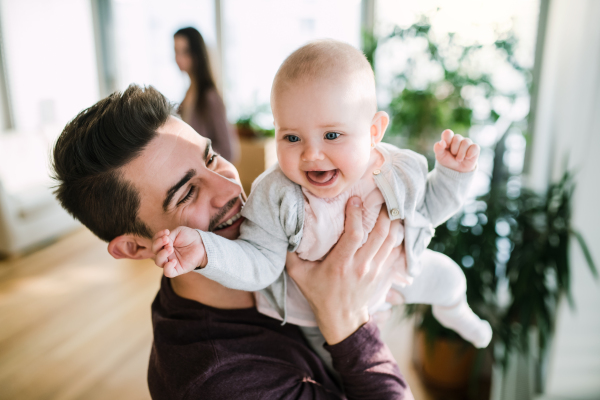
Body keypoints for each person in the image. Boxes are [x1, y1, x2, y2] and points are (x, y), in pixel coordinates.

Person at [51, 84, 413, 399]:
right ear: (136, 247)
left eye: (212, 157)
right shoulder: (220, 382)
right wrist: (346, 321)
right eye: (187, 193)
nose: (230, 188)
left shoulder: (289, 228)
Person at [152, 40, 493, 372]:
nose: (311, 154)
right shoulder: (277, 195)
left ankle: (456, 312)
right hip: (319, 315)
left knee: (449, 277)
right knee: (339, 370)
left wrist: (453, 174)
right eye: (292, 137)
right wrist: (205, 250)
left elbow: (430, 209)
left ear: (374, 131)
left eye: (331, 135)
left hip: (393, 279)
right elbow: (259, 261)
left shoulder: (397, 170)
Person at [174, 27, 239, 163]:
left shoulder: (210, 96)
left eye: (184, 52)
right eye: (176, 51)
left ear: (196, 53)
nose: (178, 58)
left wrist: (196, 157)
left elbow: (228, 151)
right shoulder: (188, 95)